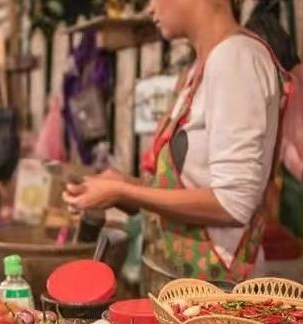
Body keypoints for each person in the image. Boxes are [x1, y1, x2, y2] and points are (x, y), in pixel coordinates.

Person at [62, 0, 284, 283]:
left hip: (218, 296)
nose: (150, 9)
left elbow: (233, 204)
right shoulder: (199, 69)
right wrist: (125, 186)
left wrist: (123, 192)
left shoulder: (235, 59)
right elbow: (194, 187)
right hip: (180, 286)